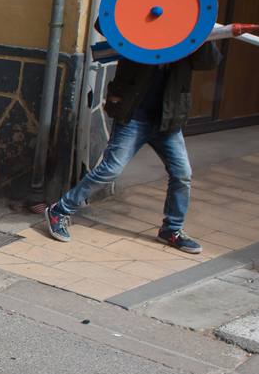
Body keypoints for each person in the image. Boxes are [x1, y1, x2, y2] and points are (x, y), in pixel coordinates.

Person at [44, 39, 222, 254]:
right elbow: (105, 23)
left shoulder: (188, 36)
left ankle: (172, 230)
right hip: (134, 115)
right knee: (110, 169)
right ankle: (59, 210)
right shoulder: (141, 28)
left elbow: (210, 61)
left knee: (182, 174)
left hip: (167, 119)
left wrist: (202, 32)